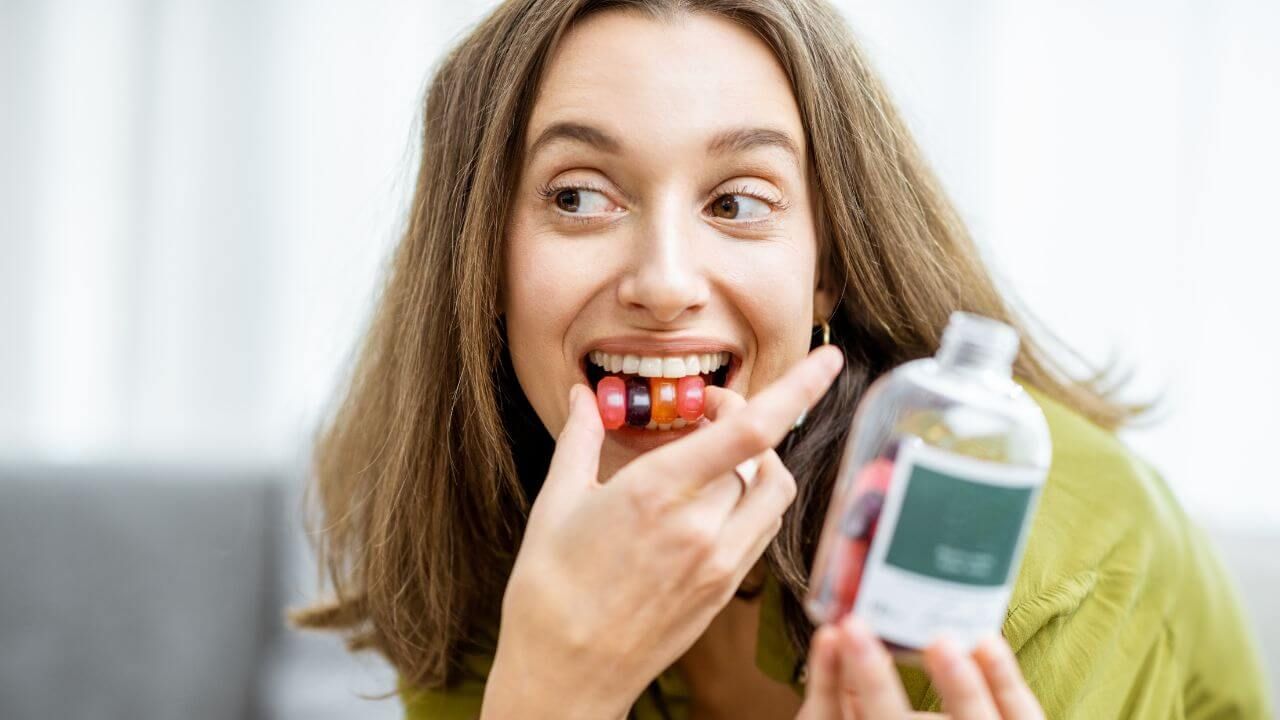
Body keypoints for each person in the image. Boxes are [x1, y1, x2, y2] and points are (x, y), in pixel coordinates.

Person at [292, 1, 1273, 718]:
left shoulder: (1010, 525)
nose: (664, 282)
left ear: (825, 275)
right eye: (579, 196)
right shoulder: (475, 524)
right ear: (478, 263)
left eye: (738, 202)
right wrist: (548, 689)